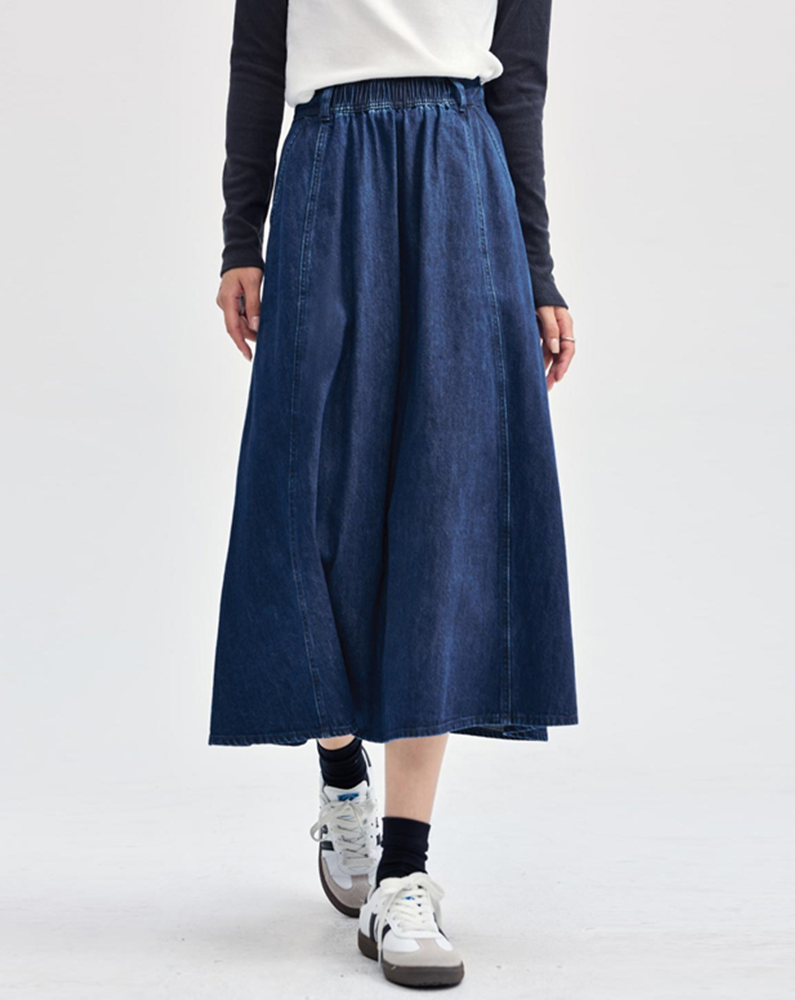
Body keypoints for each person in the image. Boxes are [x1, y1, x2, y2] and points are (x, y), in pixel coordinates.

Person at [210, 0, 578, 988]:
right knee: (306, 504)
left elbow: (517, 85)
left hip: (460, 173)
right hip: (327, 168)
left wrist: (536, 267)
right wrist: (240, 237)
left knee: (443, 507)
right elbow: (258, 59)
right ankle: (342, 773)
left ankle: (404, 871)